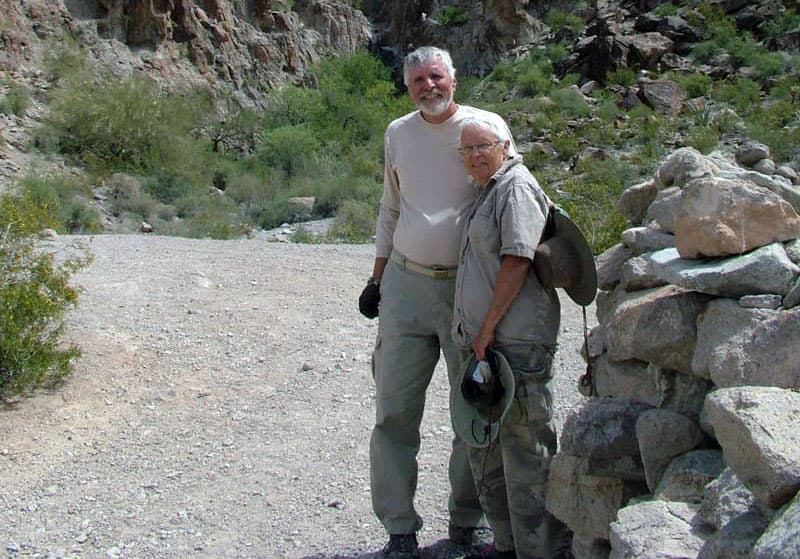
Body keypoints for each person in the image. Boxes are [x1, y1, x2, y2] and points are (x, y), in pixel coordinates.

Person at [358, 46, 517, 559]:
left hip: (465, 290)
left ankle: (467, 522)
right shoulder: (398, 133)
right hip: (405, 285)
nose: (428, 87)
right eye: (417, 81)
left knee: (471, 409)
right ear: (407, 88)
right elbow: (391, 207)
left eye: (435, 77)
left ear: (454, 78)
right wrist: (376, 278)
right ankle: (399, 530)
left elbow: (512, 195)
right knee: (394, 411)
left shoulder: (483, 127)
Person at [450, 117, 592, 559]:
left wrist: (487, 328)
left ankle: (539, 550)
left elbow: (516, 260)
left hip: (514, 341)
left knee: (525, 448)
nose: (474, 154)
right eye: (467, 149)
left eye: (483, 146)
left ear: (506, 146)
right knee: (488, 444)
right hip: (489, 343)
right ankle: (508, 543)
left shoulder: (515, 187)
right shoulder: (488, 190)